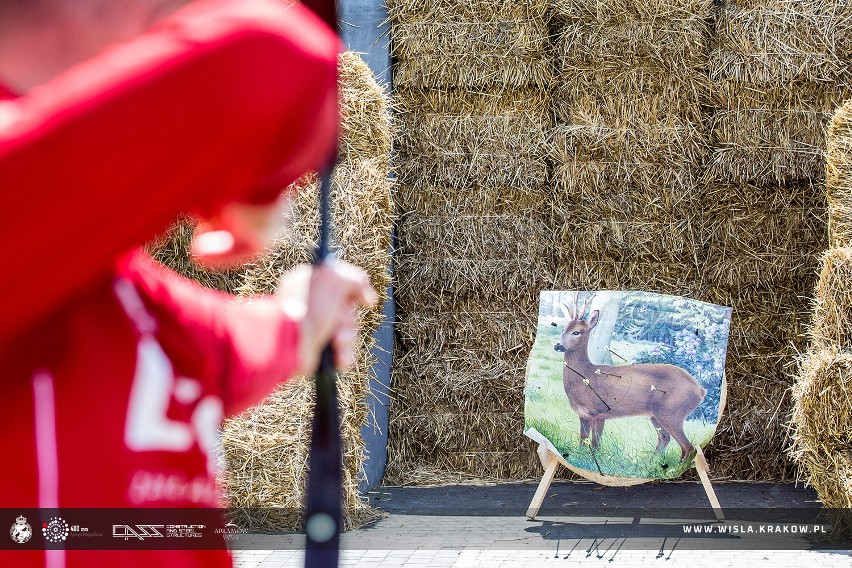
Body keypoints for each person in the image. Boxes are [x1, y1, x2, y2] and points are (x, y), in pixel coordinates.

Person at [0, 1, 376, 566]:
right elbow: (271, 57)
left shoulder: (89, 270)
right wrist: (257, 196)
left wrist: (298, 321)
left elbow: (199, 348)